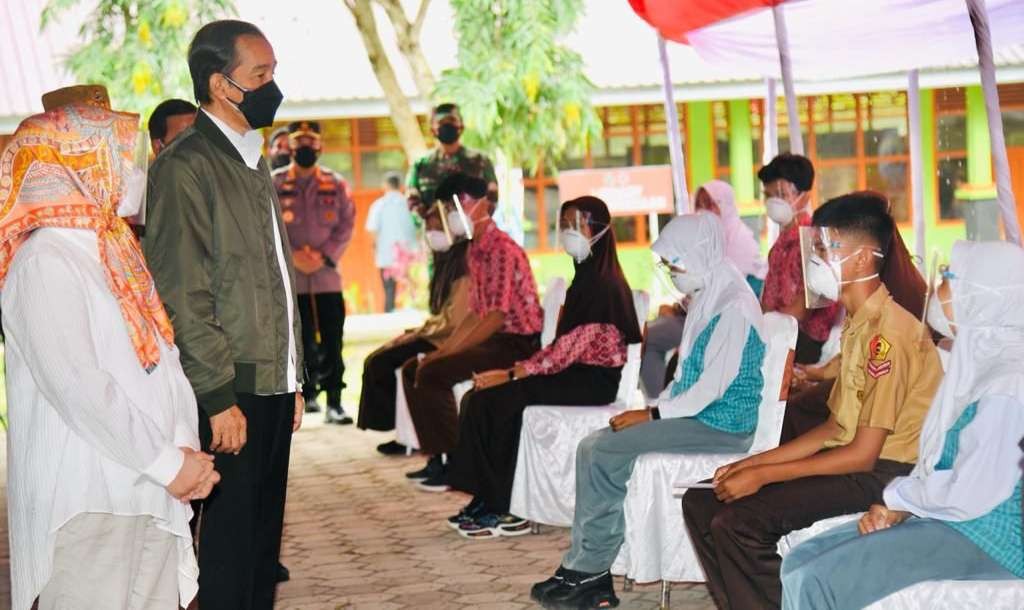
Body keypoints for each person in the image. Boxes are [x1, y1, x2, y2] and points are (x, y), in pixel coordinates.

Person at [1, 95, 218, 610]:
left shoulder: (114, 253)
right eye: (121, 156)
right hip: (89, 502)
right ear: (76, 166)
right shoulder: (45, 262)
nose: (136, 169)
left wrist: (184, 453)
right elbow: (80, 387)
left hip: (149, 488)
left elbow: (161, 363)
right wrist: (169, 462)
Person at [681, 192, 944, 610]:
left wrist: (767, 477)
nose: (814, 259)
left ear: (860, 259)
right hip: (854, 459)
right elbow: (836, 427)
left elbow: (862, 454)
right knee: (702, 499)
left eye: (825, 248)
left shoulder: (888, 335)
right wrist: (755, 463)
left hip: (885, 473)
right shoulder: (860, 324)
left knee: (740, 524)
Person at [143, 20, 304, 610]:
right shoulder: (186, 166)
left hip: (267, 378)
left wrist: (292, 375)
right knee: (230, 548)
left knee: (263, 544)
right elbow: (184, 292)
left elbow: (272, 276)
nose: (272, 86)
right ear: (220, 84)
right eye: (259, 75)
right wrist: (216, 394)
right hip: (229, 383)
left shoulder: (251, 158)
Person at [533, 212, 768, 609]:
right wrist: (656, 408)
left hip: (723, 423)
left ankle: (590, 570)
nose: (672, 272)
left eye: (676, 263)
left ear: (699, 254)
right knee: (594, 445)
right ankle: (583, 565)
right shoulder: (710, 292)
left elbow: (712, 388)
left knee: (602, 449)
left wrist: (654, 415)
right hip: (698, 415)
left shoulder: (734, 304)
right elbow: (686, 374)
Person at [779, 240, 1024, 610]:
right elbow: (944, 471)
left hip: (987, 536)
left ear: (984, 295)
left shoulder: (1009, 385)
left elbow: (974, 492)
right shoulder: (975, 363)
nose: (938, 291)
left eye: (950, 280)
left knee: (818, 579)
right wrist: (904, 505)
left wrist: (900, 502)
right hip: (952, 515)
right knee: (802, 558)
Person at [448, 196, 643, 539]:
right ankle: (487, 497)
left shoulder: (604, 285)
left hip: (592, 381)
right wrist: (514, 373)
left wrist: (511, 374)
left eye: (576, 224)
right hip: (572, 373)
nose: (568, 232)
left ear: (597, 230)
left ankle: (503, 506)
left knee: (498, 401)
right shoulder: (586, 277)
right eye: (564, 224)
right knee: (482, 399)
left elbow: (568, 351)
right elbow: (560, 350)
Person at [402, 172, 542, 491]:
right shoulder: (475, 249)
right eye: (448, 207)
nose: (451, 214)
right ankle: (438, 457)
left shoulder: (502, 249)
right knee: (417, 367)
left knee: (433, 372)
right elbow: (474, 315)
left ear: (480, 204)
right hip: (493, 338)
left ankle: (456, 464)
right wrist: (444, 349)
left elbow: (495, 317)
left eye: (456, 205)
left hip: (516, 344)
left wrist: (446, 355)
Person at [781, 196, 928, 443]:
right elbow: (852, 358)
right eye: (816, 248)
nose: (816, 260)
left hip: (879, 442)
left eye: (824, 248)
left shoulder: (894, 301)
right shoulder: (857, 294)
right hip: (855, 411)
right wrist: (816, 374)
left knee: (795, 412)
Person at [357, 203, 472, 454]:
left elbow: (455, 321)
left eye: (437, 227)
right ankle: (402, 432)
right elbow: (442, 314)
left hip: (448, 339)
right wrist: (417, 331)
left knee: (384, 363)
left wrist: (420, 333)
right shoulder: (446, 261)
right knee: (378, 358)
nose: (432, 234)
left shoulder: (464, 260)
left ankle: (407, 436)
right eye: (428, 228)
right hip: (437, 333)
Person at [641, 179, 767, 399]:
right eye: (699, 203)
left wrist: (658, 415)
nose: (703, 210)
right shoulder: (700, 241)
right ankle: (656, 398)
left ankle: (655, 399)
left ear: (725, 205)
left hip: (715, 418)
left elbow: (712, 390)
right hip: (694, 315)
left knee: (652, 337)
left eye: (710, 204)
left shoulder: (737, 249)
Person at [273, 120, 356, 423]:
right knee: (299, 340)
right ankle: (306, 397)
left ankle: (335, 401)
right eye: (299, 141)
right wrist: (291, 256)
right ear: (289, 146)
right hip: (291, 280)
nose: (305, 146)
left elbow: (347, 224)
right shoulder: (275, 183)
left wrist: (324, 256)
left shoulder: (335, 183)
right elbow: (266, 225)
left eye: (311, 141)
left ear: (320, 146)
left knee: (333, 340)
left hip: (327, 279)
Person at [759, 154, 840, 365]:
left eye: (781, 194)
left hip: (804, 341)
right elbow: (768, 303)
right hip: (778, 332)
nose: (773, 202)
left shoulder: (814, 240)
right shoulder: (780, 244)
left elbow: (801, 311)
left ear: (804, 196)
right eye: (769, 195)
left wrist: (765, 331)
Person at [406, 103, 497, 213]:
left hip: (474, 228)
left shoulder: (481, 161)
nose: (447, 126)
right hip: (434, 229)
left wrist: (478, 218)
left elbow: (492, 196)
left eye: (452, 121)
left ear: (461, 126)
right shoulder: (420, 166)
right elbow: (412, 199)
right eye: (441, 123)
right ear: (433, 129)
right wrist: (430, 218)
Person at [366, 171, 420, 312]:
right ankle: (413, 307)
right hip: (409, 251)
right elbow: (418, 226)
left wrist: (374, 246)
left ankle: (389, 309)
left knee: (389, 285)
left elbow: (372, 228)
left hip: (385, 251)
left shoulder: (379, 205)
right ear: (400, 185)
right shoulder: (408, 204)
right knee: (409, 282)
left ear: (385, 185)